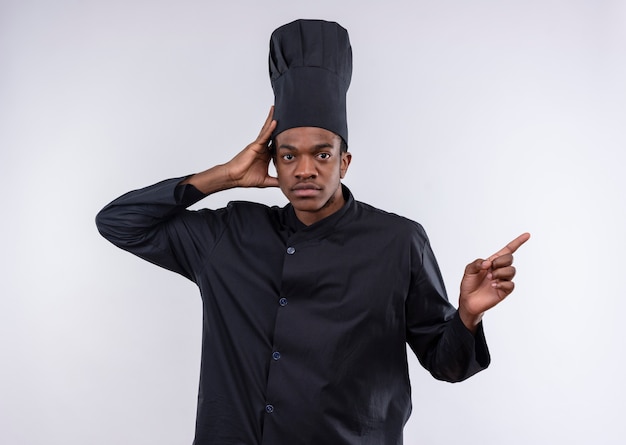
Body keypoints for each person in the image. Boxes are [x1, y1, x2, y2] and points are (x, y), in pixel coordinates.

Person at [96, 19, 529, 445]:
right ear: (273, 162)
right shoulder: (228, 234)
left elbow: (447, 364)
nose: (305, 170)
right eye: (288, 156)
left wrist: (468, 316)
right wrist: (224, 176)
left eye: (322, 154)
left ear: (344, 161)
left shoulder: (398, 242)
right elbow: (118, 222)